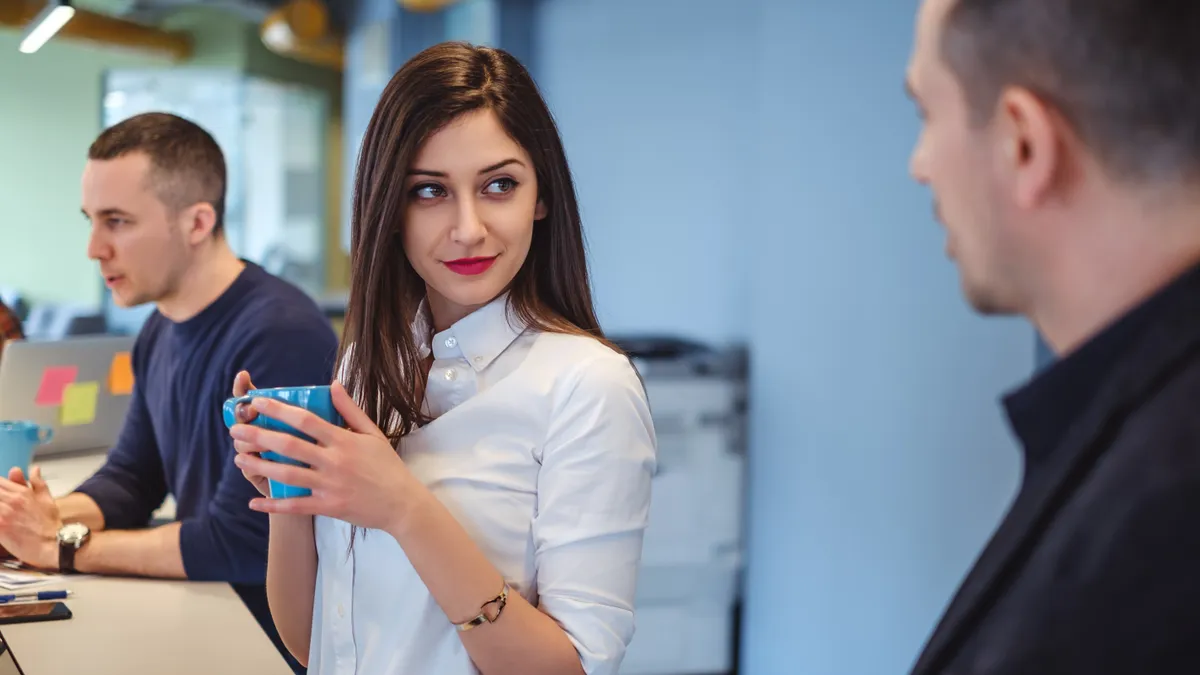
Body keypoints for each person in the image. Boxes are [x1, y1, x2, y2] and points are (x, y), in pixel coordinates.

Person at [228, 42, 657, 675]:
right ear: (388, 210)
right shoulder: (367, 367)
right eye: (429, 191)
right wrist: (296, 500)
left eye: (499, 186)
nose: (468, 228)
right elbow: (311, 642)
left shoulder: (589, 386)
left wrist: (404, 508)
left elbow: (569, 668)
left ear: (541, 196)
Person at [905, 0, 1200, 672]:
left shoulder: (1156, 530)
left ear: (1024, 143)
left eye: (925, 115)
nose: (919, 166)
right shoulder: (1135, 433)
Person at [0, 112, 337, 673]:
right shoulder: (159, 328)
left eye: (117, 222)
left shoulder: (281, 334)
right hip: (205, 609)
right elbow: (133, 477)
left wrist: (60, 548)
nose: (94, 248)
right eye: (91, 220)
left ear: (198, 222)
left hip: (270, 641)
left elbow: (241, 541)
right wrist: (35, 519)